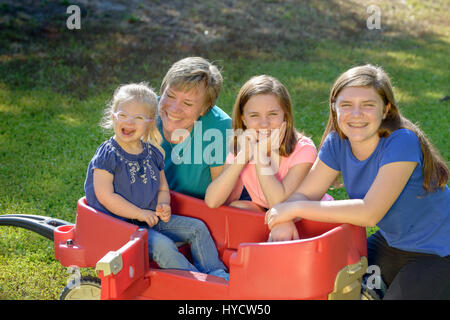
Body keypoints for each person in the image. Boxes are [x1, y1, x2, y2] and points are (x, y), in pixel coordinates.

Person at [265, 65, 450, 299]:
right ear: (334, 108)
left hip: (440, 251)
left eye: (368, 105)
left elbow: (369, 213)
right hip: (392, 243)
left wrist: (292, 209)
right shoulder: (337, 143)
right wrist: (285, 218)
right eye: (346, 105)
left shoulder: (401, 141)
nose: (356, 114)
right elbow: (305, 193)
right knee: (331, 283)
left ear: (386, 109)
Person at [84, 83, 229, 281]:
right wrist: (139, 213)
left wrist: (164, 204)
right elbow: (105, 196)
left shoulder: (152, 153)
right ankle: (198, 282)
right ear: (113, 116)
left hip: (150, 218)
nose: (130, 122)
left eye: (139, 118)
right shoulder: (109, 154)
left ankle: (215, 272)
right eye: (123, 115)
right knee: (163, 246)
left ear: (151, 123)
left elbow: (162, 187)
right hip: (121, 227)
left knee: (197, 228)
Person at [205, 75, 332, 241]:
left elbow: (281, 204)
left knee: (281, 221)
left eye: (272, 114)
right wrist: (242, 157)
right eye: (254, 116)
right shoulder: (244, 145)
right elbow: (213, 201)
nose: (264, 123)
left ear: (285, 116)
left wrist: (259, 156)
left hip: (308, 215)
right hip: (272, 211)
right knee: (238, 207)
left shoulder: (303, 149)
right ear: (243, 119)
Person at [157, 57, 232, 199]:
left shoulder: (220, 129)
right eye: (170, 95)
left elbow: (223, 200)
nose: (174, 109)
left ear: (205, 108)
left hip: (200, 212)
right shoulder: (145, 113)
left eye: (187, 103)